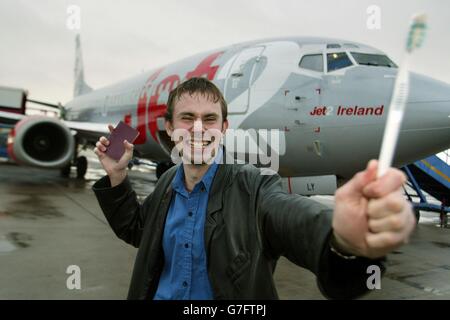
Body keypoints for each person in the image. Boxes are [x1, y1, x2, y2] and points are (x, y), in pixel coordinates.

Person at [92, 77, 416, 299]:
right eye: (187, 118)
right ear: (169, 127)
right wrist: (118, 177)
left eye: (210, 118)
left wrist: (342, 241)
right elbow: (137, 231)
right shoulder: (167, 183)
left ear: (224, 127)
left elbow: (292, 217)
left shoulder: (254, 187)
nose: (199, 128)